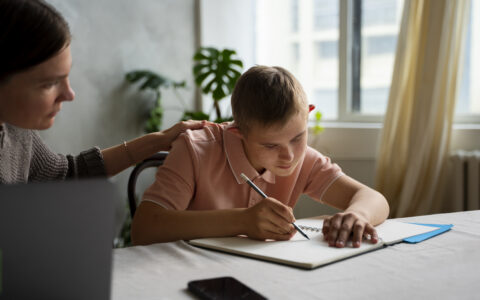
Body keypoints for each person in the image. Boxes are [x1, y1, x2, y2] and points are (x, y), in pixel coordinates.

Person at [131, 66, 390, 248]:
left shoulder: (305, 160)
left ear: (308, 114)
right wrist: (242, 220)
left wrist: (358, 214)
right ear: (237, 132)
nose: (289, 156)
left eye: (298, 137)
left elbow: (374, 199)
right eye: (270, 145)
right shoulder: (194, 150)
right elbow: (145, 228)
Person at [0, 0, 209, 184]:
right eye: (49, 84)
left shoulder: (15, 131)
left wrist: (161, 140)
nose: (69, 94)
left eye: (65, 77)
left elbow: (67, 174)